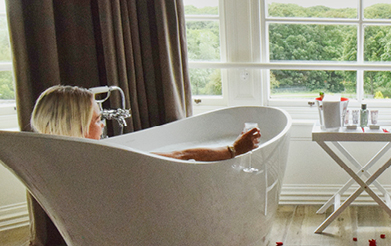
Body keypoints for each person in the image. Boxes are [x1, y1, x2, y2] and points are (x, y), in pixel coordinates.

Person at [30, 85, 261, 162]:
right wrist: (234, 149)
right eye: (98, 120)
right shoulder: (99, 160)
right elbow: (182, 155)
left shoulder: (53, 159)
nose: (103, 126)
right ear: (77, 127)